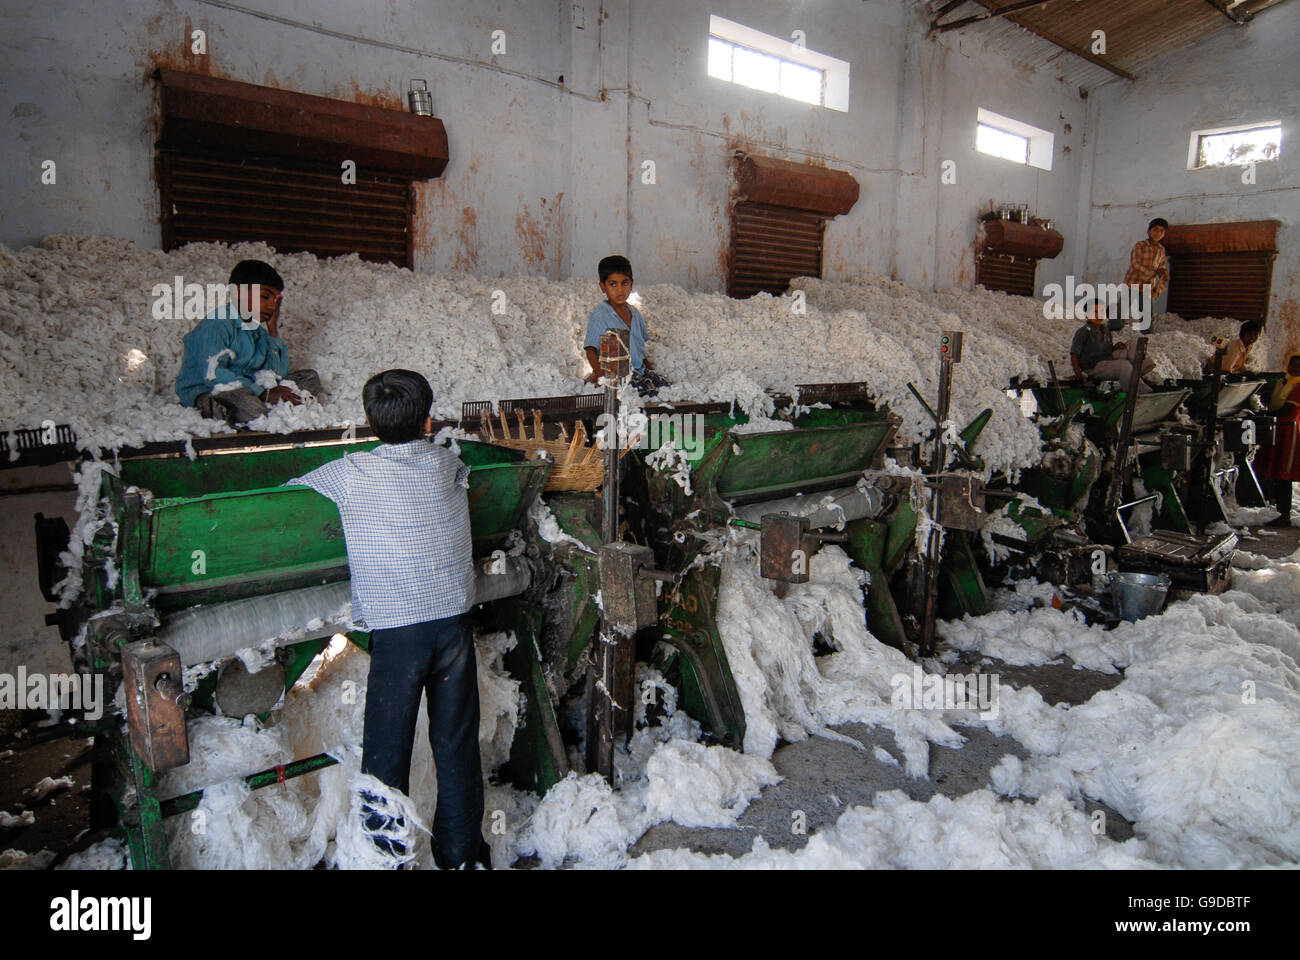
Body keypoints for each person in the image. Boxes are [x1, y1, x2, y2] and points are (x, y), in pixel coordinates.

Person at [287, 369, 488, 869]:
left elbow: (293, 488)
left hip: (398, 633)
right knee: (457, 742)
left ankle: (385, 857)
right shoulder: (446, 465)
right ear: (427, 420)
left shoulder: (351, 472)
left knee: (386, 750)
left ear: (369, 422)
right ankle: (464, 856)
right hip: (453, 624)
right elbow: (464, 471)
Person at [175, 259, 322, 425]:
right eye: (265, 296)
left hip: (251, 388)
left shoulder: (256, 331)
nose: (272, 307)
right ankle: (214, 408)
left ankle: (268, 407)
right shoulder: (216, 325)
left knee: (310, 378)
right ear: (239, 293)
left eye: (275, 300)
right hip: (213, 388)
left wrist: (273, 331)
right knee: (252, 409)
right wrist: (263, 393)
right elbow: (214, 374)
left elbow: (278, 374)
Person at [582, 254, 670, 396]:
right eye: (613, 284)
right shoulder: (600, 316)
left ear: (631, 284)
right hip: (617, 376)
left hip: (639, 372)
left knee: (666, 388)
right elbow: (590, 350)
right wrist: (600, 375)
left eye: (624, 283)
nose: (620, 290)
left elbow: (639, 349)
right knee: (639, 395)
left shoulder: (635, 314)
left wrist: (650, 370)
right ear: (603, 287)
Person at [1069, 300, 1157, 394]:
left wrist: (1116, 347)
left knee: (1133, 343)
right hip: (1093, 366)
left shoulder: (1105, 330)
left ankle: (1138, 374)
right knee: (1124, 366)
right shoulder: (1084, 331)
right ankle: (1141, 392)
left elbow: (1105, 350)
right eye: (1095, 312)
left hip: (1107, 359)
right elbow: (1074, 354)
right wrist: (1078, 373)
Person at [1257, 352, 1300, 527]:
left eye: (1299, 366)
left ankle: (1285, 514)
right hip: (1278, 429)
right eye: (1293, 364)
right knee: (1277, 473)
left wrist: (1265, 416)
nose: (1295, 368)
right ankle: (1281, 510)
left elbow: (1288, 410)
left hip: (1289, 432)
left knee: (1284, 475)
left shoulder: (1298, 387)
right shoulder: (1283, 382)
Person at [1123, 217, 1170, 303]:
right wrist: (1152, 273)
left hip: (1148, 287)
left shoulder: (1161, 249)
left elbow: (1161, 266)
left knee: (1147, 314)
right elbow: (1135, 263)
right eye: (1155, 230)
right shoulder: (1140, 245)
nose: (1158, 233)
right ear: (1149, 231)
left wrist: (1163, 274)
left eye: (1162, 231)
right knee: (1122, 310)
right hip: (1133, 283)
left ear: (1164, 234)